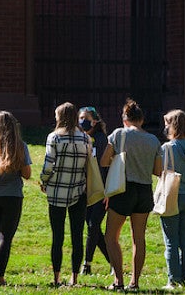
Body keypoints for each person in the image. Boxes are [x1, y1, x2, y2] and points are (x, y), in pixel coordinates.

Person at [100, 99, 162, 291]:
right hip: (144, 190)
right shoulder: (153, 140)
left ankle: (118, 281)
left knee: (111, 236)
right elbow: (158, 171)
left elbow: (104, 161)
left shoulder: (119, 134)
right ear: (142, 120)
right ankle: (134, 282)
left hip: (123, 188)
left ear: (124, 118)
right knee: (139, 238)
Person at [40, 102, 90, 287]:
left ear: (60, 117)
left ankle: (56, 276)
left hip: (56, 191)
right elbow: (88, 166)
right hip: (79, 189)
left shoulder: (54, 137)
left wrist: (44, 181)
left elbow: (48, 165)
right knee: (77, 236)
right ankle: (75, 277)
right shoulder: (85, 138)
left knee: (57, 236)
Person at [0, 111, 32, 286]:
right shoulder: (20, 146)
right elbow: (27, 174)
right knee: (6, 238)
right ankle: (0, 277)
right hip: (13, 196)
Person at [159, 109, 185, 289]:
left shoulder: (167, 147)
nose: (165, 128)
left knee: (171, 242)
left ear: (173, 125)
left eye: (167, 124)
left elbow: (161, 171)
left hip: (172, 195)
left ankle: (173, 280)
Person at [78, 106, 110, 275]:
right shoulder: (80, 138)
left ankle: (87, 265)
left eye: (86, 118)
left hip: (101, 190)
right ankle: (113, 262)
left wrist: (108, 192)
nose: (82, 121)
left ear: (95, 120)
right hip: (85, 191)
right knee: (94, 229)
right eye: (80, 117)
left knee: (93, 226)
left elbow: (105, 166)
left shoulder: (101, 139)